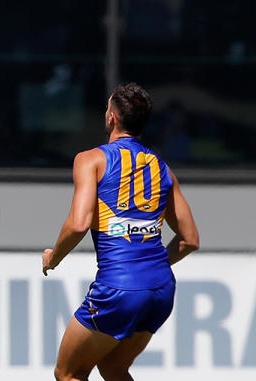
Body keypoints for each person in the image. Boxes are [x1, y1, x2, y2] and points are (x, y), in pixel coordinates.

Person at [42, 82, 200, 381]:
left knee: (68, 372)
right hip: (161, 289)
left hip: (120, 287)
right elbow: (190, 239)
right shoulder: (161, 167)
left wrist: (54, 257)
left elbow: (78, 223)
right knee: (114, 368)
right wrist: (149, 268)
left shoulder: (91, 159)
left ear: (111, 117)